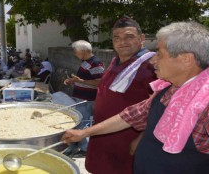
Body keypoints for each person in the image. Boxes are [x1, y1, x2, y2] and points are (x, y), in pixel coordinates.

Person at [62, 21, 209, 173]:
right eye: (117, 38)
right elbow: (131, 115)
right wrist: (85, 132)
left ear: (186, 59)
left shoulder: (205, 103)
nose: (152, 60)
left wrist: (139, 139)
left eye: (159, 54)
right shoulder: (167, 90)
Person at [64, 17, 157, 173]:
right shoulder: (115, 61)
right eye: (117, 38)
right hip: (101, 134)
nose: (122, 42)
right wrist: (81, 81)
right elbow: (104, 85)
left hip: (125, 139)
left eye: (129, 36)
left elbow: (159, 107)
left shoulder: (151, 66)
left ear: (142, 39)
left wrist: (141, 138)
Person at [61, 40, 104, 157]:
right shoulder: (86, 62)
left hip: (87, 99)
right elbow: (82, 79)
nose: (75, 54)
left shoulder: (96, 62)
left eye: (75, 52)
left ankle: (85, 150)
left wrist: (81, 81)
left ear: (83, 51)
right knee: (79, 122)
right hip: (80, 98)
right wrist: (73, 80)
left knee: (83, 123)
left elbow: (101, 82)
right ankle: (77, 146)